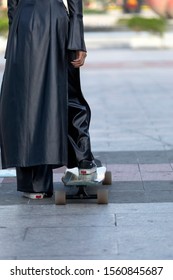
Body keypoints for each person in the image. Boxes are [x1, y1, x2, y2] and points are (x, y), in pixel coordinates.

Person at [0, 0, 96, 199]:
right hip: (55, 21)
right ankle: (82, 159)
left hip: (24, 21)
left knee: (25, 101)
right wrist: (77, 39)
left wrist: (14, 37)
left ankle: (35, 185)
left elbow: (12, 4)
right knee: (64, 94)